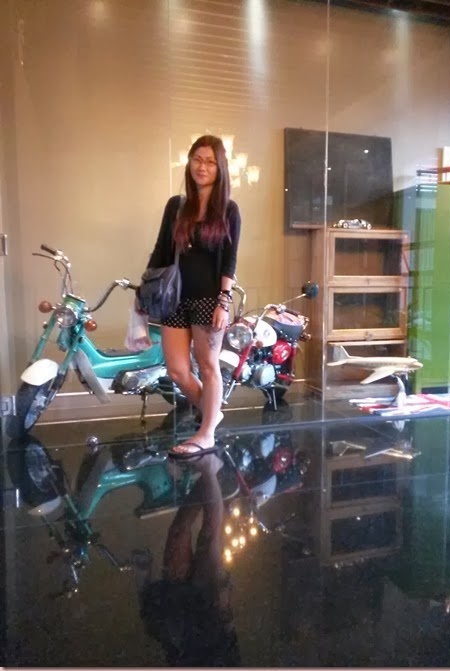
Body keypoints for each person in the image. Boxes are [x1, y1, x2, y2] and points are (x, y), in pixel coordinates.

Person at [146, 135, 241, 458]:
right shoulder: (176, 206)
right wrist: (144, 292)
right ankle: (212, 415)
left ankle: (206, 434)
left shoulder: (228, 210)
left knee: (208, 366)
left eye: (210, 162)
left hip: (208, 299)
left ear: (220, 168)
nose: (202, 167)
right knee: (176, 370)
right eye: (197, 159)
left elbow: (229, 261)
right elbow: (161, 250)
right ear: (189, 163)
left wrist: (224, 302)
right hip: (174, 298)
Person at [139, 453, 241, 666]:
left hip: (178, 609)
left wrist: (144, 579)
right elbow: (231, 649)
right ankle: (209, 467)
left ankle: (211, 472)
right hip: (212, 618)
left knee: (178, 531)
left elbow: (170, 653)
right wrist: (225, 610)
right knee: (209, 537)